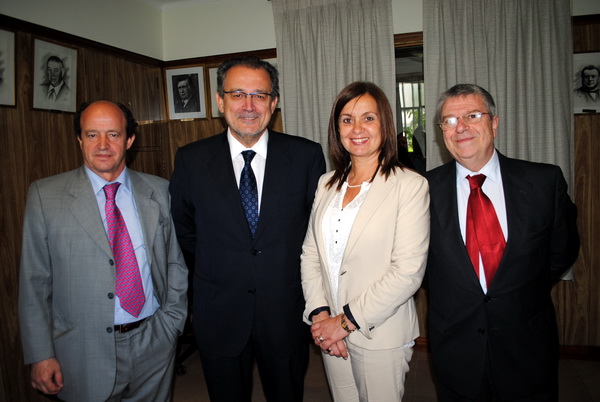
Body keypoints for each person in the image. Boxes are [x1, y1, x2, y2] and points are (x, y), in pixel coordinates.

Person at [169, 56, 325, 401]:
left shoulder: (306, 156)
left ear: (274, 102)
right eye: (238, 94)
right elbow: (184, 231)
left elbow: (316, 232)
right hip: (219, 313)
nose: (249, 106)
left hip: (285, 312)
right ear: (220, 101)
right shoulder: (191, 160)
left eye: (259, 95)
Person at [19, 100, 188, 401]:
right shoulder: (45, 196)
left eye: (113, 134)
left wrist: (171, 324)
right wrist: (40, 354)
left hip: (153, 341)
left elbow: (174, 263)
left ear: (129, 140)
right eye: (92, 134)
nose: (103, 145)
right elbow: (34, 283)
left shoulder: (159, 191)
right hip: (82, 350)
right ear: (79, 139)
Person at [425, 84, 580, 401]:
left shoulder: (543, 182)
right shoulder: (421, 190)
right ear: (442, 132)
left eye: (472, 115)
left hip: (527, 345)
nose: (461, 127)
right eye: (450, 121)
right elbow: (420, 266)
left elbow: (562, 251)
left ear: (494, 123)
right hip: (456, 348)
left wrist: (518, 287)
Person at [301, 81, 430, 401]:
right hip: (330, 329)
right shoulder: (326, 184)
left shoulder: (410, 186)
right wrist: (320, 316)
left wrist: (344, 323)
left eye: (368, 118)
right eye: (347, 120)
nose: (357, 128)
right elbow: (311, 255)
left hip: (379, 333)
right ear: (337, 129)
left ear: (384, 124)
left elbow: (407, 272)